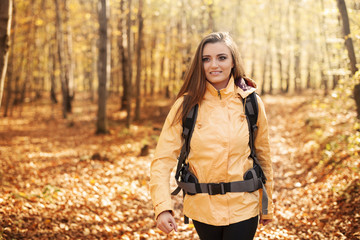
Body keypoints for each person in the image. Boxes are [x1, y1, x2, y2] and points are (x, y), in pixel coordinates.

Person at [149, 32, 273, 240]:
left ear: (233, 61)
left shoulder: (250, 102)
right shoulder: (186, 105)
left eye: (221, 58)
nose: (213, 65)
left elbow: (263, 156)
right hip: (202, 208)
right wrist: (162, 207)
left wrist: (267, 203)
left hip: (244, 206)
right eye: (206, 59)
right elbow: (162, 160)